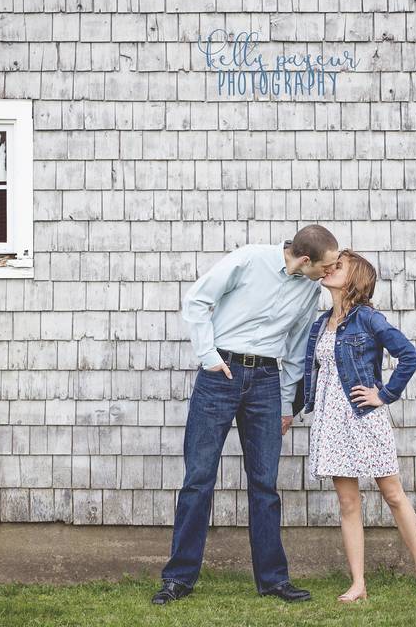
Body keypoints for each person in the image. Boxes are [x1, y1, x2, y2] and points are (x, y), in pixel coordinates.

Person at [152, 225, 340, 605]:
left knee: (265, 484)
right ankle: (178, 579)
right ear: (305, 260)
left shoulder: (308, 292)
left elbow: (296, 346)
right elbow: (198, 300)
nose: (330, 273)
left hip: (267, 382)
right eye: (327, 266)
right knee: (199, 478)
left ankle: (273, 580)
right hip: (220, 375)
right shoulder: (249, 259)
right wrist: (208, 357)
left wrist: (287, 403)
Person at [300, 248, 416, 603]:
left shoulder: (368, 319)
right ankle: (358, 584)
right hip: (332, 421)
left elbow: (410, 356)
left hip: (364, 416)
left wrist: (385, 394)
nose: (331, 269)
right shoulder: (322, 323)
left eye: (339, 266)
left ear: (355, 279)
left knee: (393, 494)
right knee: (348, 504)